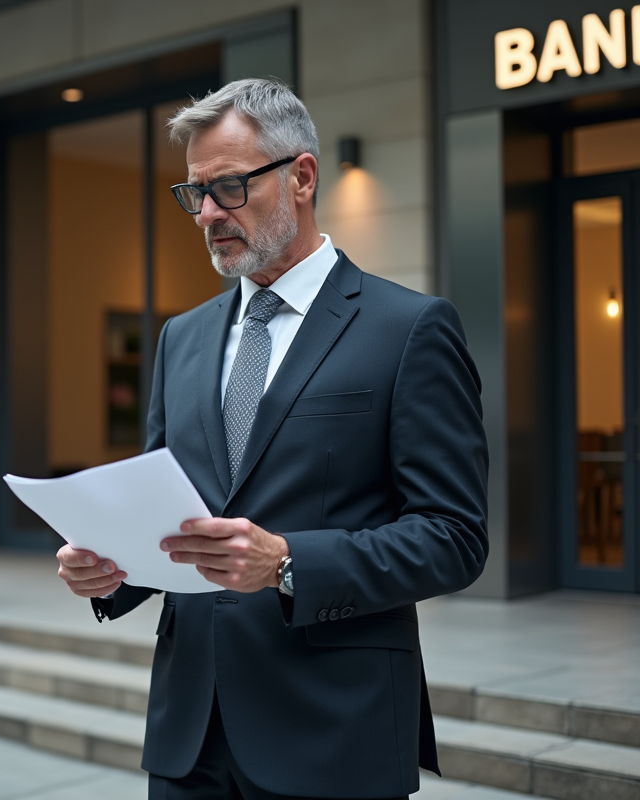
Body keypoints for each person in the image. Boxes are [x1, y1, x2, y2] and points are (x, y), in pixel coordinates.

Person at [55, 78, 488, 800]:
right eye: (194, 195)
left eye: (227, 188)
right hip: (188, 735)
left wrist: (288, 562)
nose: (207, 215)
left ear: (303, 178)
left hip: (332, 732)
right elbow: (167, 513)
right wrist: (111, 568)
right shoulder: (180, 338)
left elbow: (453, 537)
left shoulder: (410, 329)